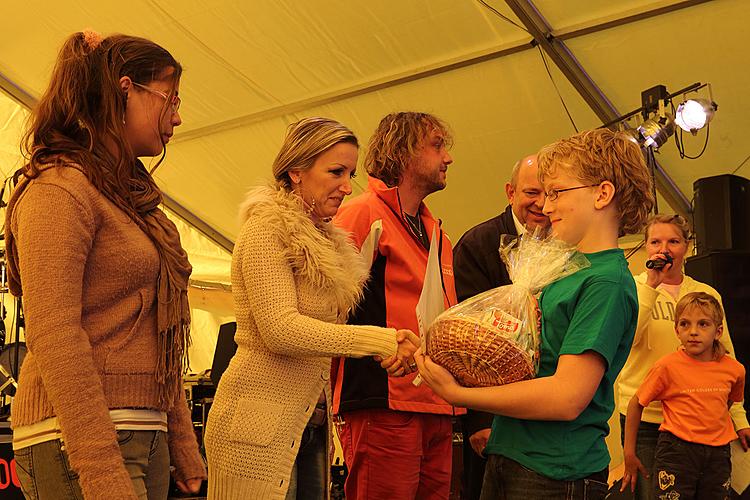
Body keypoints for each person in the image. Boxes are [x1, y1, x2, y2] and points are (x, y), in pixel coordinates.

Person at [4, 31, 206, 499]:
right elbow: (55, 335)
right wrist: (99, 470)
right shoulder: (58, 190)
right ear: (124, 90)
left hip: (142, 432)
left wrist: (180, 439)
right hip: (78, 440)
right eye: (169, 98)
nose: (178, 116)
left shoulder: (132, 202)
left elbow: (158, 331)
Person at [416, 127, 655, 500]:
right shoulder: (564, 267)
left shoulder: (606, 281)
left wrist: (458, 392)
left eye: (557, 192)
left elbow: (566, 397)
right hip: (511, 452)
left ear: (602, 194)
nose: (546, 206)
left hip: (554, 470)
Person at [203, 117, 420, 500]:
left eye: (350, 173)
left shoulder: (326, 240)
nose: (345, 186)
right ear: (296, 171)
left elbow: (321, 336)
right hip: (256, 430)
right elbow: (281, 329)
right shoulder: (265, 230)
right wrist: (380, 341)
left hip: (309, 424)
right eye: (335, 171)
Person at [331, 111, 461, 499]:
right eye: (437, 146)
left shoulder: (437, 230)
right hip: (381, 400)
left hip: (437, 402)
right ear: (404, 153)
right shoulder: (363, 213)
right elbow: (326, 308)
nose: (448, 157)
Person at [616, 214, 750, 499]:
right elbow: (625, 341)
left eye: (673, 241)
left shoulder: (704, 293)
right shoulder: (632, 287)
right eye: (656, 241)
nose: (664, 248)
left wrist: (738, 418)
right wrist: (651, 285)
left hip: (699, 419)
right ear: (646, 248)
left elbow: (726, 359)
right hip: (647, 420)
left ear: (686, 247)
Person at [452, 154, 549, 500]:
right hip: (492, 416)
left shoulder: (565, 243)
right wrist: (479, 419)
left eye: (549, 193)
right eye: (531, 192)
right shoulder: (478, 244)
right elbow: (466, 341)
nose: (540, 203)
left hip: (545, 411)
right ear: (510, 192)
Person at [622, 292, 745, 500]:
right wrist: (629, 453)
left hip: (717, 455)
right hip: (676, 452)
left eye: (703, 324)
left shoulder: (735, 369)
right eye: (685, 324)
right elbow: (636, 404)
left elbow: (729, 401)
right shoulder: (666, 367)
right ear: (676, 330)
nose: (693, 332)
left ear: (718, 331)